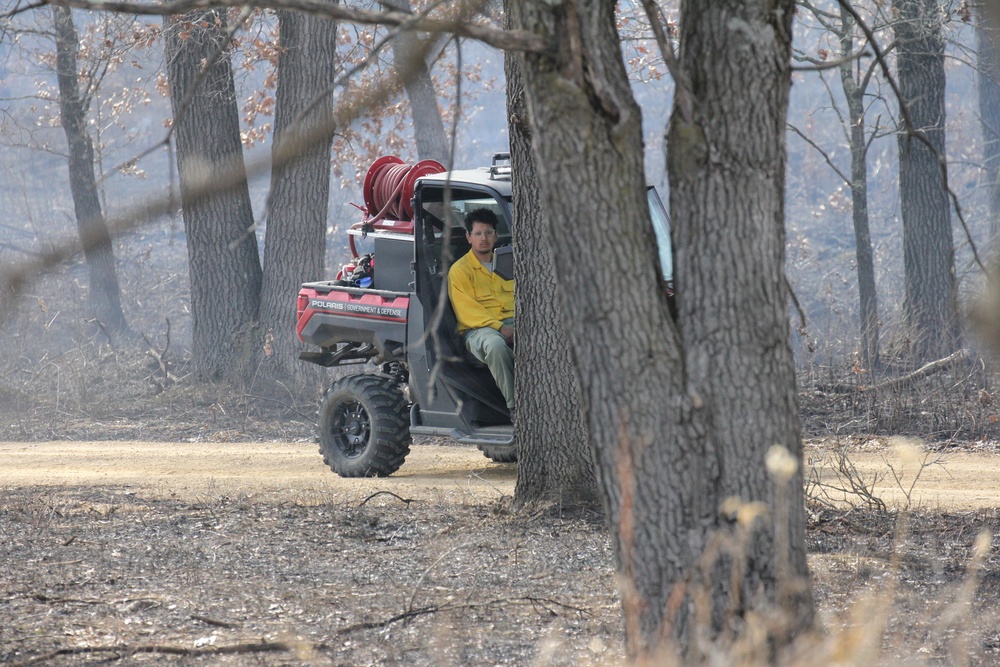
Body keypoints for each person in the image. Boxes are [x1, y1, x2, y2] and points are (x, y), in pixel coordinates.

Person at [448, 208, 515, 412]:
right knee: (496, 347)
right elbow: (468, 312)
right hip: (478, 330)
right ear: (469, 237)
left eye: (488, 232)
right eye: (477, 233)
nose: (483, 238)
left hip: (511, 321)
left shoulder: (510, 262)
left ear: (496, 235)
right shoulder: (460, 271)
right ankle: (516, 409)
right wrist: (501, 328)